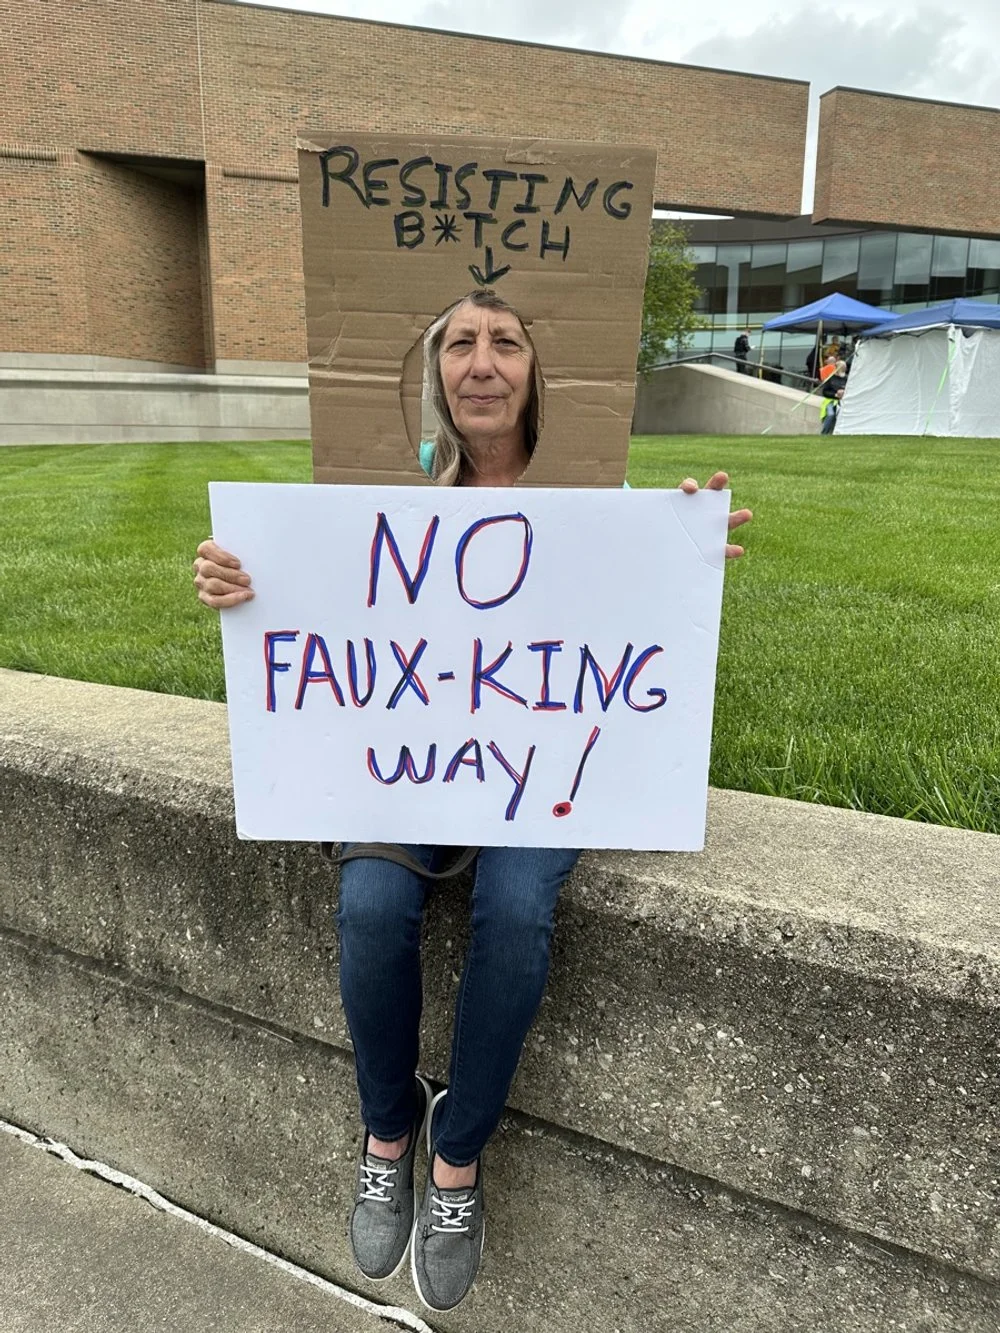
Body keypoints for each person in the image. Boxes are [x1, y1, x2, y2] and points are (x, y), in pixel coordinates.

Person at [192, 288, 752, 1312]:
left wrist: (684, 558)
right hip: (412, 766)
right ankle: (386, 1125)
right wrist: (246, 581)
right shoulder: (388, 504)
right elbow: (328, 620)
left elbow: (630, 643)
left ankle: (455, 1157)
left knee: (512, 910)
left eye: (505, 342)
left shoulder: (602, 499)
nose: (481, 361)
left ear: (538, 371)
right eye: (459, 343)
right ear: (435, 373)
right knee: (369, 905)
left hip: (539, 772)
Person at [820, 358, 848, 434]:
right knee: (831, 414)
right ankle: (824, 433)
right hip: (831, 401)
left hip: (844, 401)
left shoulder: (847, 378)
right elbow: (825, 392)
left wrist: (844, 392)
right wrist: (835, 394)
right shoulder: (830, 378)